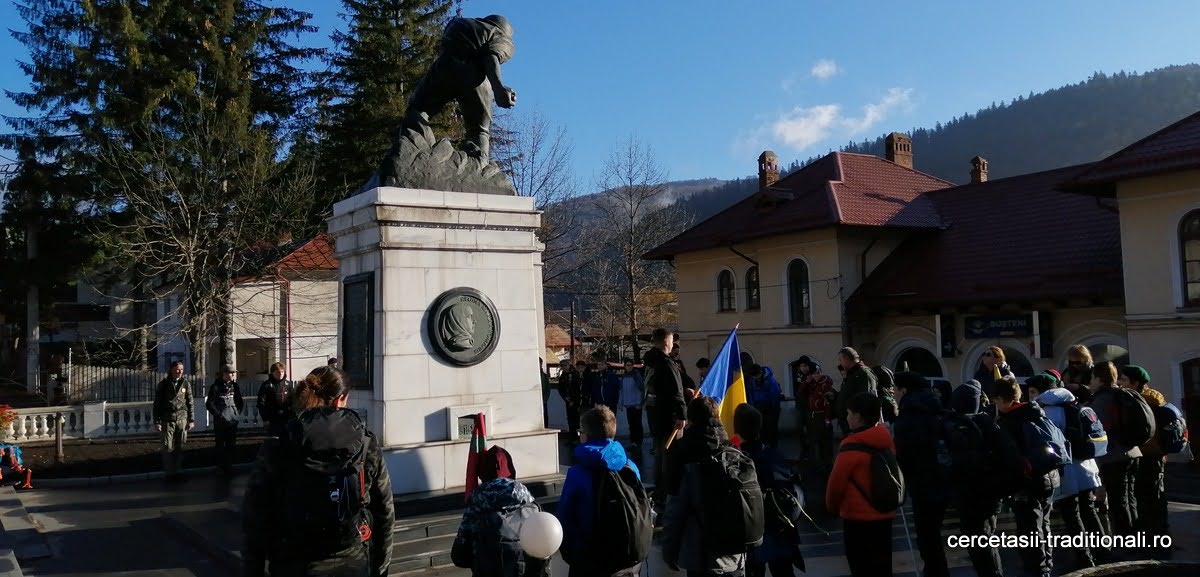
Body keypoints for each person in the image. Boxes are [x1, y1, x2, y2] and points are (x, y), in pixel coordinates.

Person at [242, 366, 394, 577]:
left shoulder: (278, 445)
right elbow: (384, 510)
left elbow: (254, 517)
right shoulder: (366, 444)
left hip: (294, 561)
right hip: (351, 560)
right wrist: (380, 567)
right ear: (340, 400)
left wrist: (254, 569)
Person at [392, 15, 515, 161]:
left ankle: (411, 149)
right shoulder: (499, 35)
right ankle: (479, 163)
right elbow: (491, 56)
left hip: (444, 67)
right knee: (479, 129)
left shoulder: (460, 22)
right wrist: (498, 87)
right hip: (474, 76)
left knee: (418, 110)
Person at [661, 396, 746, 577]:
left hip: (699, 552)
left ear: (691, 419)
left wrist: (669, 551)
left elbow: (675, 510)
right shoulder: (733, 450)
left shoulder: (683, 453)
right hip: (734, 551)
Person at [557, 406, 645, 577]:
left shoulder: (578, 473)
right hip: (628, 560)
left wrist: (571, 555)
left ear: (586, 436)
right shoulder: (631, 467)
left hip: (589, 559)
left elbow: (564, 517)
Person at [1028, 373, 1105, 570]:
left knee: (1072, 516)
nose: (1031, 396)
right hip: (1087, 468)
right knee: (1089, 512)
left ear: (1042, 391)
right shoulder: (1073, 404)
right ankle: (1103, 552)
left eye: (1033, 391)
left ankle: (1085, 558)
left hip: (1067, 473)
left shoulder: (1047, 412)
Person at [989, 376, 1058, 577]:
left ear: (1002, 399)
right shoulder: (1036, 412)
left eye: (995, 401)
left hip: (1028, 482)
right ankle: (1047, 565)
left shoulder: (1011, 420)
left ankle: (1037, 569)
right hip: (1049, 476)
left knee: (1029, 529)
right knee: (1043, 524)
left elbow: (1008, 456)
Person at [826, 393, 895, 577]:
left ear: (857, 417)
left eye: (849, 413)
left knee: (861, 568)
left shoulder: (850, 447)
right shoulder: (886, 441)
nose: (847, 417)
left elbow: (835, 485)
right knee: (883, 568)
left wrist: (832, 509)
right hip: (885, 516)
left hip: (857, 519)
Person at [451, 446, 548, 577]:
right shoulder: (533, 508)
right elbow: (544, 551)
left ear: (483, 474)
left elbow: (460, 557)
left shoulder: (475, 509)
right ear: (511, 470)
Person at [891, 372, 949, 577]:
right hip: (943, 478)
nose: (893, 393)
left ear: (904, 390)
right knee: (934, 534)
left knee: (927, 537)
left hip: (922, 482)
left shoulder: (909, 416)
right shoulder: (934, 407)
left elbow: (905, 455)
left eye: (895, 389)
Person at [735, 405, 803, 577]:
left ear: (737, 430)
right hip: (780, 531)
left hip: (752, 533)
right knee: (783, 571)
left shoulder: (738, 461)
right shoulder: (775, 456)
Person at [948, 381, 1006, 577]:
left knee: (980, 540)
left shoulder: (964, 427)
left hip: (974, 493)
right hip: (989, 492)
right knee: (985, 537)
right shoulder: (987, 422)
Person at [1089, 361, 1143, 537]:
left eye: (1092, 378)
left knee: (1118, 502)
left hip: (1114, 455)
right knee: (1130, 498)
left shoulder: (1101, 400)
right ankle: (1134, 536)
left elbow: (1097, 430)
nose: (1090, 382)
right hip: (1132, 451)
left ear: (1099, 379)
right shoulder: (1122, 394)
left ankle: (1125, 540)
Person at [1119, 365, 1169, 539]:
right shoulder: (1154, 397)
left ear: (1135, 383)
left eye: (1123, 379)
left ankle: (1154, 537)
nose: (1119, 382)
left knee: (1146, 497)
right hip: (1157, 454)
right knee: (1156, 496)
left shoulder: (1137, 401)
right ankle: (1160, 533)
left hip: (1146, 453)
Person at [644, 328, 685, 505]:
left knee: (659, 455)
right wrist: (682, 414)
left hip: (654, 415)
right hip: (669, 416)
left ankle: (659, 489)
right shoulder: (666, 363)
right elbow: (676, 390)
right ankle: (669, 493)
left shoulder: (650, 361)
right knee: (671, 456)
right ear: (667, 342)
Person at [153, 361, 195, 483]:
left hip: (182, 419)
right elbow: (157, 404)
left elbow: (190, 402)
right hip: (167, 419)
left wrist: (191, 419)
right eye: (177, 369)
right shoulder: (164, 384)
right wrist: (157, 421)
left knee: (181, 445)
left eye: (181, 369)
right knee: (168, 447)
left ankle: (179, 470)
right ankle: (169, 472)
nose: (180, 371)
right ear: (171, 370)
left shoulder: (185, 383)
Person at [206, 365, 245, 476]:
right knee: (220, 444)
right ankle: (220, 466)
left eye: (233, 373)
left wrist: (237, 413)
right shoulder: (215, 387)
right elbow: (209, 404)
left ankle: (229, 466)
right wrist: (219, 415)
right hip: (221, 421)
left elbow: (239, 401)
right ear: (224, 374)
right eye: (231, 373)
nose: (233, 375)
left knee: (231, 443)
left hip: (232, 419)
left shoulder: (235, 386)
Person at [799, 359, 835, 474]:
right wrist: (807, 382)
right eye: (814, 374)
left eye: (818, 373)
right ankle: (818, 464)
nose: (816, 375)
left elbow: (828, 403)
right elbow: (800, 392)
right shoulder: (811, 385)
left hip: (822, 415)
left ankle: (827, 464)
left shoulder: (825, 384)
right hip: (812, 416)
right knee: (815, 441)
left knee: (825, 442)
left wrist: (827, 418)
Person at [833, 347, 877, 436]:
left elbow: (867, 400)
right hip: (849, 425)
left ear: (846, 358)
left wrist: (860, 426)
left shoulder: (863, 373)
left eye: (840, 360)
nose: (839, 363)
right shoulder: (851, 375)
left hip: (859, 427)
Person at [746, 364, 784, 447]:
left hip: (770, 409)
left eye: (756, 375)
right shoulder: (752, 381)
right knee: (761, 429)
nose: (754, 377)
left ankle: (773, 448)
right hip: (758, 408)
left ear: (760, 373)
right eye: (753, 376)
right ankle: (764, 447)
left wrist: (771, 407)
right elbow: (751, 394)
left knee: (771, 430)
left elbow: (774, 395)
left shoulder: (770, 381)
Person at [257, 362, 293, 438]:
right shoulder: (266, 385)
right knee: (274, 440)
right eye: (278, 372)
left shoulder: (288, 384)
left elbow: (293, 400)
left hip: (286, 417)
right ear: (272, 373)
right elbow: (261, 403)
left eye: (282, 372)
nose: (280, 374)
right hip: (272, 418)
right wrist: (265, 419)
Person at [617, 360, 646, 449]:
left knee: (637, 424)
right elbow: (622, 391)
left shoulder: (636, 375)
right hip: (628, 404)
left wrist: (639, 402)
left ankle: (638, 442)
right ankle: (633, 442)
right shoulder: (624, 376)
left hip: (636, 404)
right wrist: (621, 403)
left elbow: (640, 390)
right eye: (627, 365)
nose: (629, 367)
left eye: (630, 365)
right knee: (631, 424)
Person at [560, 360, 583, 443]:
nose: (564, 367)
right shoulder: (563, 376)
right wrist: (565, 398)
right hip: (568, 400)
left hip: (576, 401)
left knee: (576, 419)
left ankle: (577, 438)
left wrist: (574, 400)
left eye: (565, 365)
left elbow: (577, 389)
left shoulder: (574, 375)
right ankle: (571, 437)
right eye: (562, 366)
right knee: (570, 419)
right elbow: (561, 388)